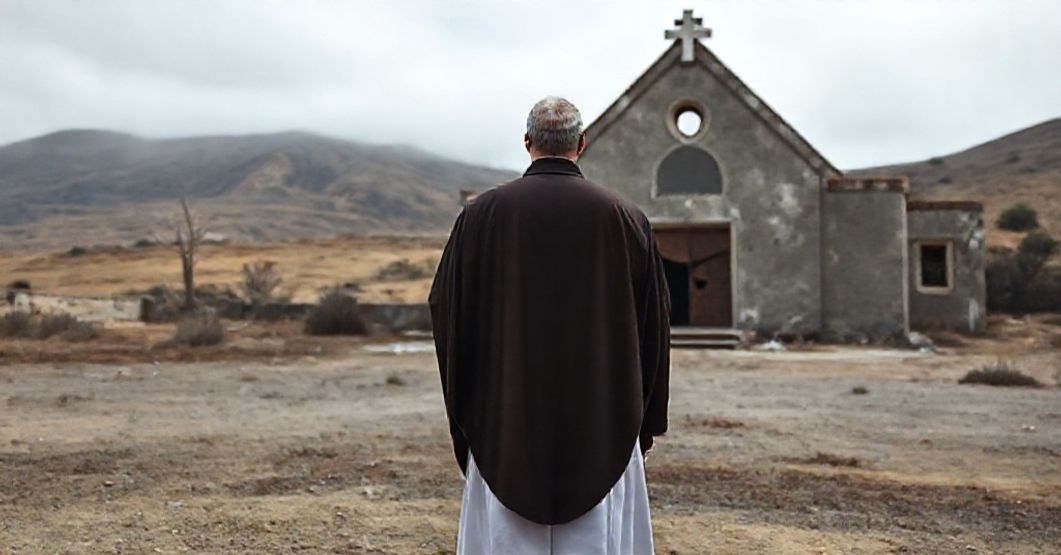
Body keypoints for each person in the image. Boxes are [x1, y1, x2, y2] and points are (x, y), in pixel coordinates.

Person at [429, 96, 671, 554]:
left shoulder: (480, 218)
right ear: (581, 144)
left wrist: (470, 414)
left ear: (527, 143)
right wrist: (645, 419)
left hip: (506, 422)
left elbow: (447, 312)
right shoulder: (626, 218)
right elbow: (654, 327)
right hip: (604, 422)